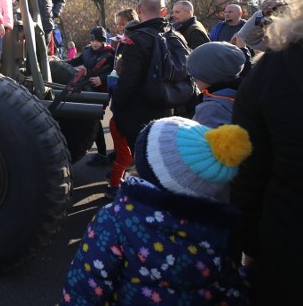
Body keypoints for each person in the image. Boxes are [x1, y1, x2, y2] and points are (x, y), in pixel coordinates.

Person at [61, 117, 252, 305]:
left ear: (147, 166)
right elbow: (230, 290)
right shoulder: (219, 230)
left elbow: (84, 287)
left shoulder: (115, 220)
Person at [230, 0, 303, 304]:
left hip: (292, 251)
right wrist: (261, 16)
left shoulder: (277, 69)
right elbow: (242, 40)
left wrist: (246, 245)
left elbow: (248, 172)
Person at [106, 0, 174, 198]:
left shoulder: (136, 38)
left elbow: (129, 79)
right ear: (163, 11)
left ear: (138, 9)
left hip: (138, 109)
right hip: (165, 104)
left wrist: (116, 104)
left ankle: (141, 201)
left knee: (141, 158)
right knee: (158, 156)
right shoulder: (173, 35)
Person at [68, 27, 114, 165]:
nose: (95, 43)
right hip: (88, 88)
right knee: (92, 120)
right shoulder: (87, 51)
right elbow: (74, 62)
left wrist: (102, 79)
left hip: (101, 91)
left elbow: (117, 71)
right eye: (93, 40)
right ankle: (102, 154)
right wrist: (57, 63)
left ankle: (103, 154)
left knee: (96, 121)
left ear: (104, 41)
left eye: (98, 41)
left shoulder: (110, 54)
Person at [186, 41, 247, 129]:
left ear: (208, 76)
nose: (194, 80)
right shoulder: (241, 93)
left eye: (195, 76)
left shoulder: (211, 110)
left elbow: (201, 141)